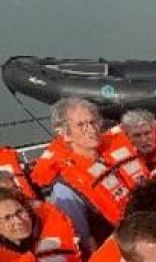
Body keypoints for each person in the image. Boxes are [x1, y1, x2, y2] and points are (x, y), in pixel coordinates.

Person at [30, 98, 149, 251]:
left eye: (93, 122)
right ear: (65, 134)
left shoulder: (116, 151)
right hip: (124, 248)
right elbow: (85, 241)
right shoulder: (65, 189)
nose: (92, 129)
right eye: (81, 125)